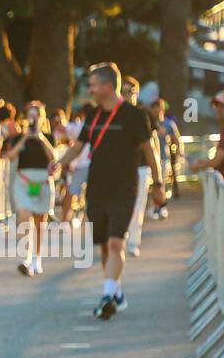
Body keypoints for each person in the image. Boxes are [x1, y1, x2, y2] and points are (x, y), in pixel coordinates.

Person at [50, 63, 165, 319]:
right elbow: (78, 146)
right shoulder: (93, 116)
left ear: (106, 86)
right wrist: (59, 162)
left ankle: (106, 295)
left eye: (93, 84)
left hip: (125, 188)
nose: (89, 89)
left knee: (116, 242)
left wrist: (158, 185)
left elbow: (150, 152)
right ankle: (116, 291)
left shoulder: (135, 116)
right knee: (104, 245)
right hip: (97, 188)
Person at [1, 102, 55, 276]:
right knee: (24, 216)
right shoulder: (18, 137)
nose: (34, 119)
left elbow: (53, 157)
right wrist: (25, 138)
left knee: (40, 222)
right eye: (30, 115)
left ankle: (36, 258)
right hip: (24, 180)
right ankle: (24, 257)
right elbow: (10, 156)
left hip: (42, 182)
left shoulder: (47, 136)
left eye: (36, 115)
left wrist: (40, 138)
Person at [120, 76, 160, 258]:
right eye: (123, 91)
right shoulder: (115, 114)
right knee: (119, 204)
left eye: (130, 91)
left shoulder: (144, 115)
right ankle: (121, 235)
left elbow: (154, 143)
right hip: (120, 167)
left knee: (137, 206)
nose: (127, 95)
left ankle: (133, 241)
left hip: (141, 167)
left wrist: (158, 173)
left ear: (136, 93)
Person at [190, 89, 224, 195]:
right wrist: (204, 162)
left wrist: (198, 166)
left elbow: (216, 161)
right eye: (216, 106)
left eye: (222, 106)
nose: (218, 109)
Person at [151, 99, 181, 216]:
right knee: (151, 186)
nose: (156, 112)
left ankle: (161, 207)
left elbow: (176, 139)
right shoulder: (148, 122)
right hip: (149, 159)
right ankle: (154, 206)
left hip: (163, 158)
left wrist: (178, 152)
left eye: (158, 109)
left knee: (160, 183)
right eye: (154, 109)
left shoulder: (169, 124)